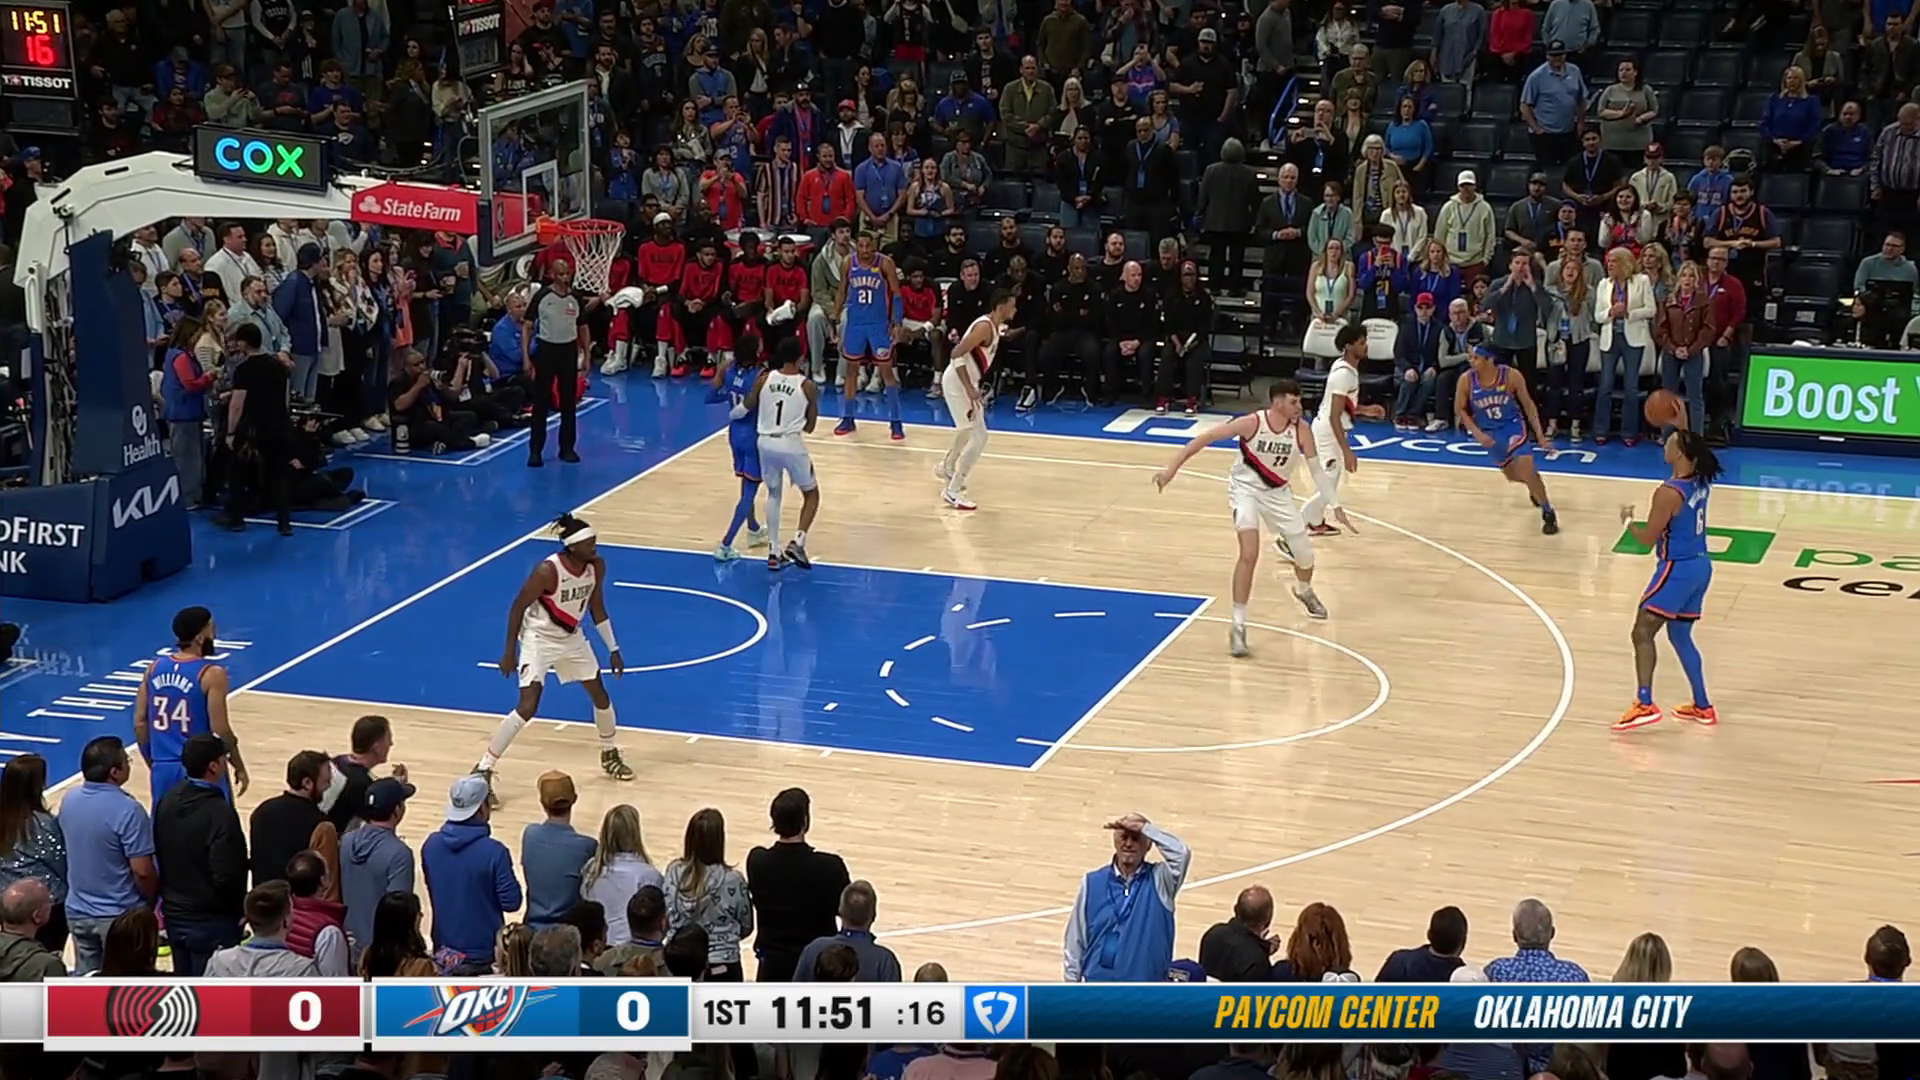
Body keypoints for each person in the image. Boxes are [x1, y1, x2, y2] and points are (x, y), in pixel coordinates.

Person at [1152, 378, 1349, 654]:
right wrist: (1171, 470)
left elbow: (1316, 470)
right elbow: (1205, 438)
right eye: (1293, 402)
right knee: (1249, 553)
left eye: (1300, 401)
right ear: (1277, 402)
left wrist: (1335, 504)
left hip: (1279, 494)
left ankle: (1304, 590)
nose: (1299, 407)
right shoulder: (1252, 423)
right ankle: (1238, 626)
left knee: (1305, 556)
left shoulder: (1302, 430)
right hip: (1245, 490)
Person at [479, 512, 633, 802]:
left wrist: (613, 649)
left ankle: (609, 753)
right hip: (538, 639)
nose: (595, 546)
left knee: (600, 695)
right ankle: (483, 769)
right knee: (528, 705)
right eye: (589, 542)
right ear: (572, 546)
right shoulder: (547, 571)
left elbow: (597, 607)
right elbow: (517, 607)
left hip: (571, 638)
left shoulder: (596, 566)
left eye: (595, 540)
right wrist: (509, 651)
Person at [1615, 428, 1724, 731]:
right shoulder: (1701, 480)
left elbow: (1648, 539)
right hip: (1701, 566)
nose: (1664, 445)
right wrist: (1679, 420)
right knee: (1680, 635)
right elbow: (1691, 439)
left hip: (1677, 569)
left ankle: (1645, 703)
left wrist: (1628, 522)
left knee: (1642, 632)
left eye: (1670, 443)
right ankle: (1703, 706)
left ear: (1679, 454)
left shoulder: (1668, 493)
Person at [151, 733, 247, 976]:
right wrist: (239, 910)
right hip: (211, 922)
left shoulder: (166, 801)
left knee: (184, 991)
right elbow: (227, 874)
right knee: (211, 995)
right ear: (214, 766)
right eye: (223, 759)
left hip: (175, 915)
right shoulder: (220, 813)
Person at [133, 605, 248, 807]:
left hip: (164, 767)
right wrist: (237, 764)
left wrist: (155, 762)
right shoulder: (211, 674)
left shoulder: (153, 669)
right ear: (200, 637)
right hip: (202, 769)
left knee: (166, 824)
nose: (215, 635)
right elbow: (220, 730)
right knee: (214, 823)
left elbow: (140, 723)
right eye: (212, 629)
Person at [1454, 344, 1559, 535]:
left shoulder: (1511, 376)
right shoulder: (1466, 380)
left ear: (1490, 360)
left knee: (1527, 467)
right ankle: (1533, 485)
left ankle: (1548, 512)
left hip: (1512, 427)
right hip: (1489, 432)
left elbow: (1528, 405)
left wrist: (1540, 436)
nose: (1471, 362)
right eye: (1470, 358)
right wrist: (1477, 433)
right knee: (1513, 476)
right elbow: (1459, 409)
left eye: (1476, 358)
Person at [744, 338, 823, 571]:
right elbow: (810, 427)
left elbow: (749, 404)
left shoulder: (764, 378)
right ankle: (798, 542)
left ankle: (773, 551)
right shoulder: (807, 385)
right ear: (801, 358)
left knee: (774, 494)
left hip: (765, 442)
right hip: (791, 443)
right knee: (811, 494)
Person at [1302, 322, 1387, 537]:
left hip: (1327, 427)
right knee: (1329, 482)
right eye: (1361, 343)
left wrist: (1366, 410)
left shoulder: (1345, 367)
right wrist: (1347, 451)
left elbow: (1344, 406)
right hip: (1328, 431)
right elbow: (1334, 416)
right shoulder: (1343, 375)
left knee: (1330, 480)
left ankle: (1315, 521)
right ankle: (1298, 523)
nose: (1366, 346)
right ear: (1349, 346)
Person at [936, 289, 1015, 512]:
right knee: (977, 435)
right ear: (1001, 307)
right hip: (957, 383)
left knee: (969, 431)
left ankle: (947, 466)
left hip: (967, 383)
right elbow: (956, 354)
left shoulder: (994, 326)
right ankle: (953, 489)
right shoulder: (984, 328)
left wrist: (973, 385)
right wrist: (970, 388)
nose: (1015, 309)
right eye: (1012, 305)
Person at [831, 231, 905, 439]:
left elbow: (897, 294)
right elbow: (842, 290)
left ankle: (896, 422)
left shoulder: (885, 263)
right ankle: (848, 418)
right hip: (855, 323)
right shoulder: (848, 263)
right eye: (861, 246)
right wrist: (835, 316)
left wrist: (897, 322)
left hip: (878, 324)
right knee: (851, 370)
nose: (864, 250)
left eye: (868, 246)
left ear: (874, 247)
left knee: (887, 371)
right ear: (857, 247)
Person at [708, 333, 771, 561]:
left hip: (734, 434)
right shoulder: (761, 376)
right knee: (750, 492)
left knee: (746, 484)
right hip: (754, 436)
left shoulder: (727, 368)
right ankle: (726, 545)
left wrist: (728, 391)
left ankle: (753, 529)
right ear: (755, 351)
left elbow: (710, 396)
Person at [523, 257, 590, 467]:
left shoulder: (575, 298)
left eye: (567, 273)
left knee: (569, 401)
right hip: (546, 349)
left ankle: (567, 448)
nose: (564, 278)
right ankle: (536, 450)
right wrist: (526, 357)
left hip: (568, 351)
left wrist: (586, 355)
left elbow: (583, 327)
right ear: (552, 274)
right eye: (560, 274)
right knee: (541, 402)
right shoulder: (542, 296)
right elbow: (527, 326)